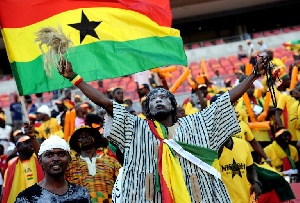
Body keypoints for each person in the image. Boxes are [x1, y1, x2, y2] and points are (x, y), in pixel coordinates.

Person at [58, 55, 269, 202]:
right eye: (153, 99)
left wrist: (253, 76)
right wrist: (75, 78)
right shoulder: (137, 126)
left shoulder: (194, 123)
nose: (158, 100)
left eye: (163, 97)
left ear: (173, 105)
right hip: (150, 190)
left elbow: (223, 102)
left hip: (194, 187)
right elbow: (106, 103)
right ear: (147, 109)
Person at [15, 134, 91, 202]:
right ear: (40, 161)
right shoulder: (27, 198)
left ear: (69, 160)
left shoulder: (82, 193)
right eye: (49, 155)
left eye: (61, 154)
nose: (55, 159)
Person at [65, 126, 121, 202]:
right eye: (80, 137)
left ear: (94, 138)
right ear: (76, 143)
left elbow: (122, 185)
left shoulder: (111, 161)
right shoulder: (70, 164)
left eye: (87, 135)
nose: (84, 138)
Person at [218, 137, 262, 202]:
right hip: (225, 199)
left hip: (245, 199)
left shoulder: (243, 144)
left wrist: (256, 182)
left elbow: (250, 169)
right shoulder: (212, 148)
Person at [2, 135, 44, 203]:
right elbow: (5, 190)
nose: (31, 144)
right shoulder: (10, 168)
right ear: (18, 147)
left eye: (31, 142)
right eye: (26, 142)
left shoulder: (41, 162)